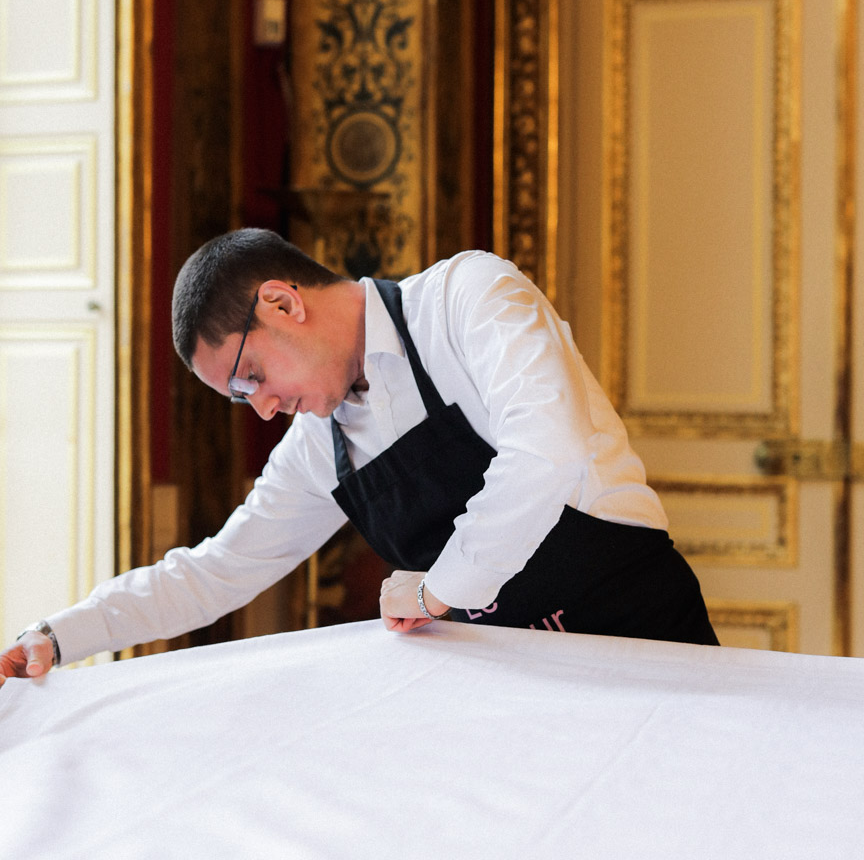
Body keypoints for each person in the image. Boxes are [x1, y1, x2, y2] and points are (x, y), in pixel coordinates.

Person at [1, 230, 717, 686]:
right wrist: (61, 636)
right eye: (240, 398)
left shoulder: (467, 298)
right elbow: (215, 572)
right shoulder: (319, 447)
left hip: (647, 646)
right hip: (514, 693)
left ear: (282, 303)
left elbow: (546, 452)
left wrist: (438, 590)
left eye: (251, 377)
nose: (263, 408)